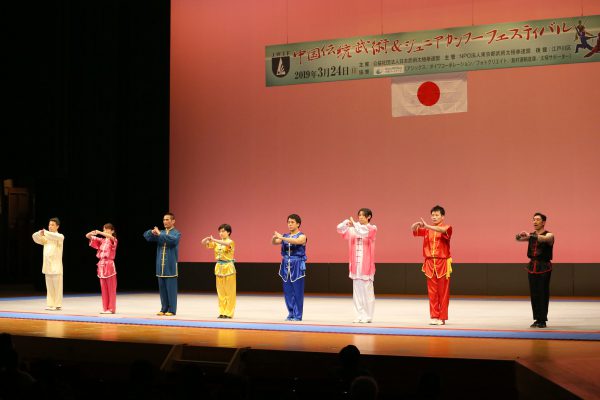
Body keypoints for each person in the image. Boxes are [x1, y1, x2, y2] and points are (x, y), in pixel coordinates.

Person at [411, 205, 453, 325]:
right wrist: (415, 225)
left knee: (443, 292)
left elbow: (442, 231)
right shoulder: (427, 230)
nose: (434, 217)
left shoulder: (447, 227)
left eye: (437, 215)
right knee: (432, 292)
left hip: (442, 263)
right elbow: (414, 230)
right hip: (429, 262)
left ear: (442, 216)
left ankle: (442, 317)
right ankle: (434, 316)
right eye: (433, 215)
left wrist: (428, 226)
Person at [337, 208, 377, 323]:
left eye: (363, 216)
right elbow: (339, 229)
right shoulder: (353, 229)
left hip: (366, 266)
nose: (360, 217)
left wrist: (354, 224)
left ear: (369, 217)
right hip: (355, 265)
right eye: (359, 215)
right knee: (357, 292)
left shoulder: (372, 228)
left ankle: (368, 316)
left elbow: (363, 231)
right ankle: (359, 315)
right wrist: (346, 223)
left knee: (367, 292)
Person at [515, 212, 554, 328]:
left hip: (544, 267)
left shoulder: (549, 234)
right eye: (533, 220)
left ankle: (543, 319)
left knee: (543, 293)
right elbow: (517, 239)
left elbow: (544, 239)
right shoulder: (532, 235)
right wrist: (520, 234)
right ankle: (537, 319)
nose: (535, 222)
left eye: (537, 220)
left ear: (543, 222)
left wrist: (531, 235)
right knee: (534, 293)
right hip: (532, 266)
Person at [143, 213, 181, 316]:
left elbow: (172, 241)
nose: (165, 221)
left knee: (171, 290)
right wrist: (152, 232)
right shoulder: (162, 232)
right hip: (160, 266)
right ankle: (163, 308)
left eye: (167, 219)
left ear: (173, 221)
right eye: (164, 219)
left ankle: (172, 310)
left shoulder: (176, 233)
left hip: (170, 266)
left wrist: (160, 234)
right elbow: (147, 236)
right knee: (162, 289)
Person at [272, 214, 307, 321]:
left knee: (298, 291)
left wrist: (282, 237)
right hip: (285, 265)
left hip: (297, 265)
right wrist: (274, 238)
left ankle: (298, 315)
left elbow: (297, 241)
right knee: (288, 291)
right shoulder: (286, 235)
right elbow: (274, 243)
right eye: (288, 222)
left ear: (298, 224)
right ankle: (291, 313)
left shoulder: (302, 236)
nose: (290, 224)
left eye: (292, 222)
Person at [201, 224, 236, 319]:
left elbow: (227, 244)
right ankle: (222, 312)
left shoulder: (231, 242)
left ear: (228, 232)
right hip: (219, 267)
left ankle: (229, 313)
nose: (221, 233)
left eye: (223, 231)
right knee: (221, 292)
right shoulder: (217, 242)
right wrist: (207, 239)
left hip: (228, 267)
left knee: (229, 292)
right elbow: (203, 243)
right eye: (220, 231)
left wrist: (214, 240)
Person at [32, 217, 65, 311]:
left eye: (52, 225)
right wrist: (40, 233)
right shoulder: (46, 238)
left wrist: (45, 232)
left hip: (56, 266)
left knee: (57, 287)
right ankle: (50, 304)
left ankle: (57, 304)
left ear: (57, 226)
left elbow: (53, 236)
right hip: (47, 265)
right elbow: (34, 237)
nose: (50, 226)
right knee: (49, 287)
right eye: (49, 225)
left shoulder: (60, 236)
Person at [85, 223, 118, 314]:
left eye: (108, 229)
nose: (106, 231)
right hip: (101, 265)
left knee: (111, 288)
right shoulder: (101, 240)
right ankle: (105, 308)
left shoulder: (114, 240)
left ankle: (111, 308)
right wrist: (92, 233)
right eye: (104, 229)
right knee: (103, 288)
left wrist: (100, 232)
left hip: (109, 265)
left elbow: (110, 237)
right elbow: (87, 236)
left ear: (112, 231)